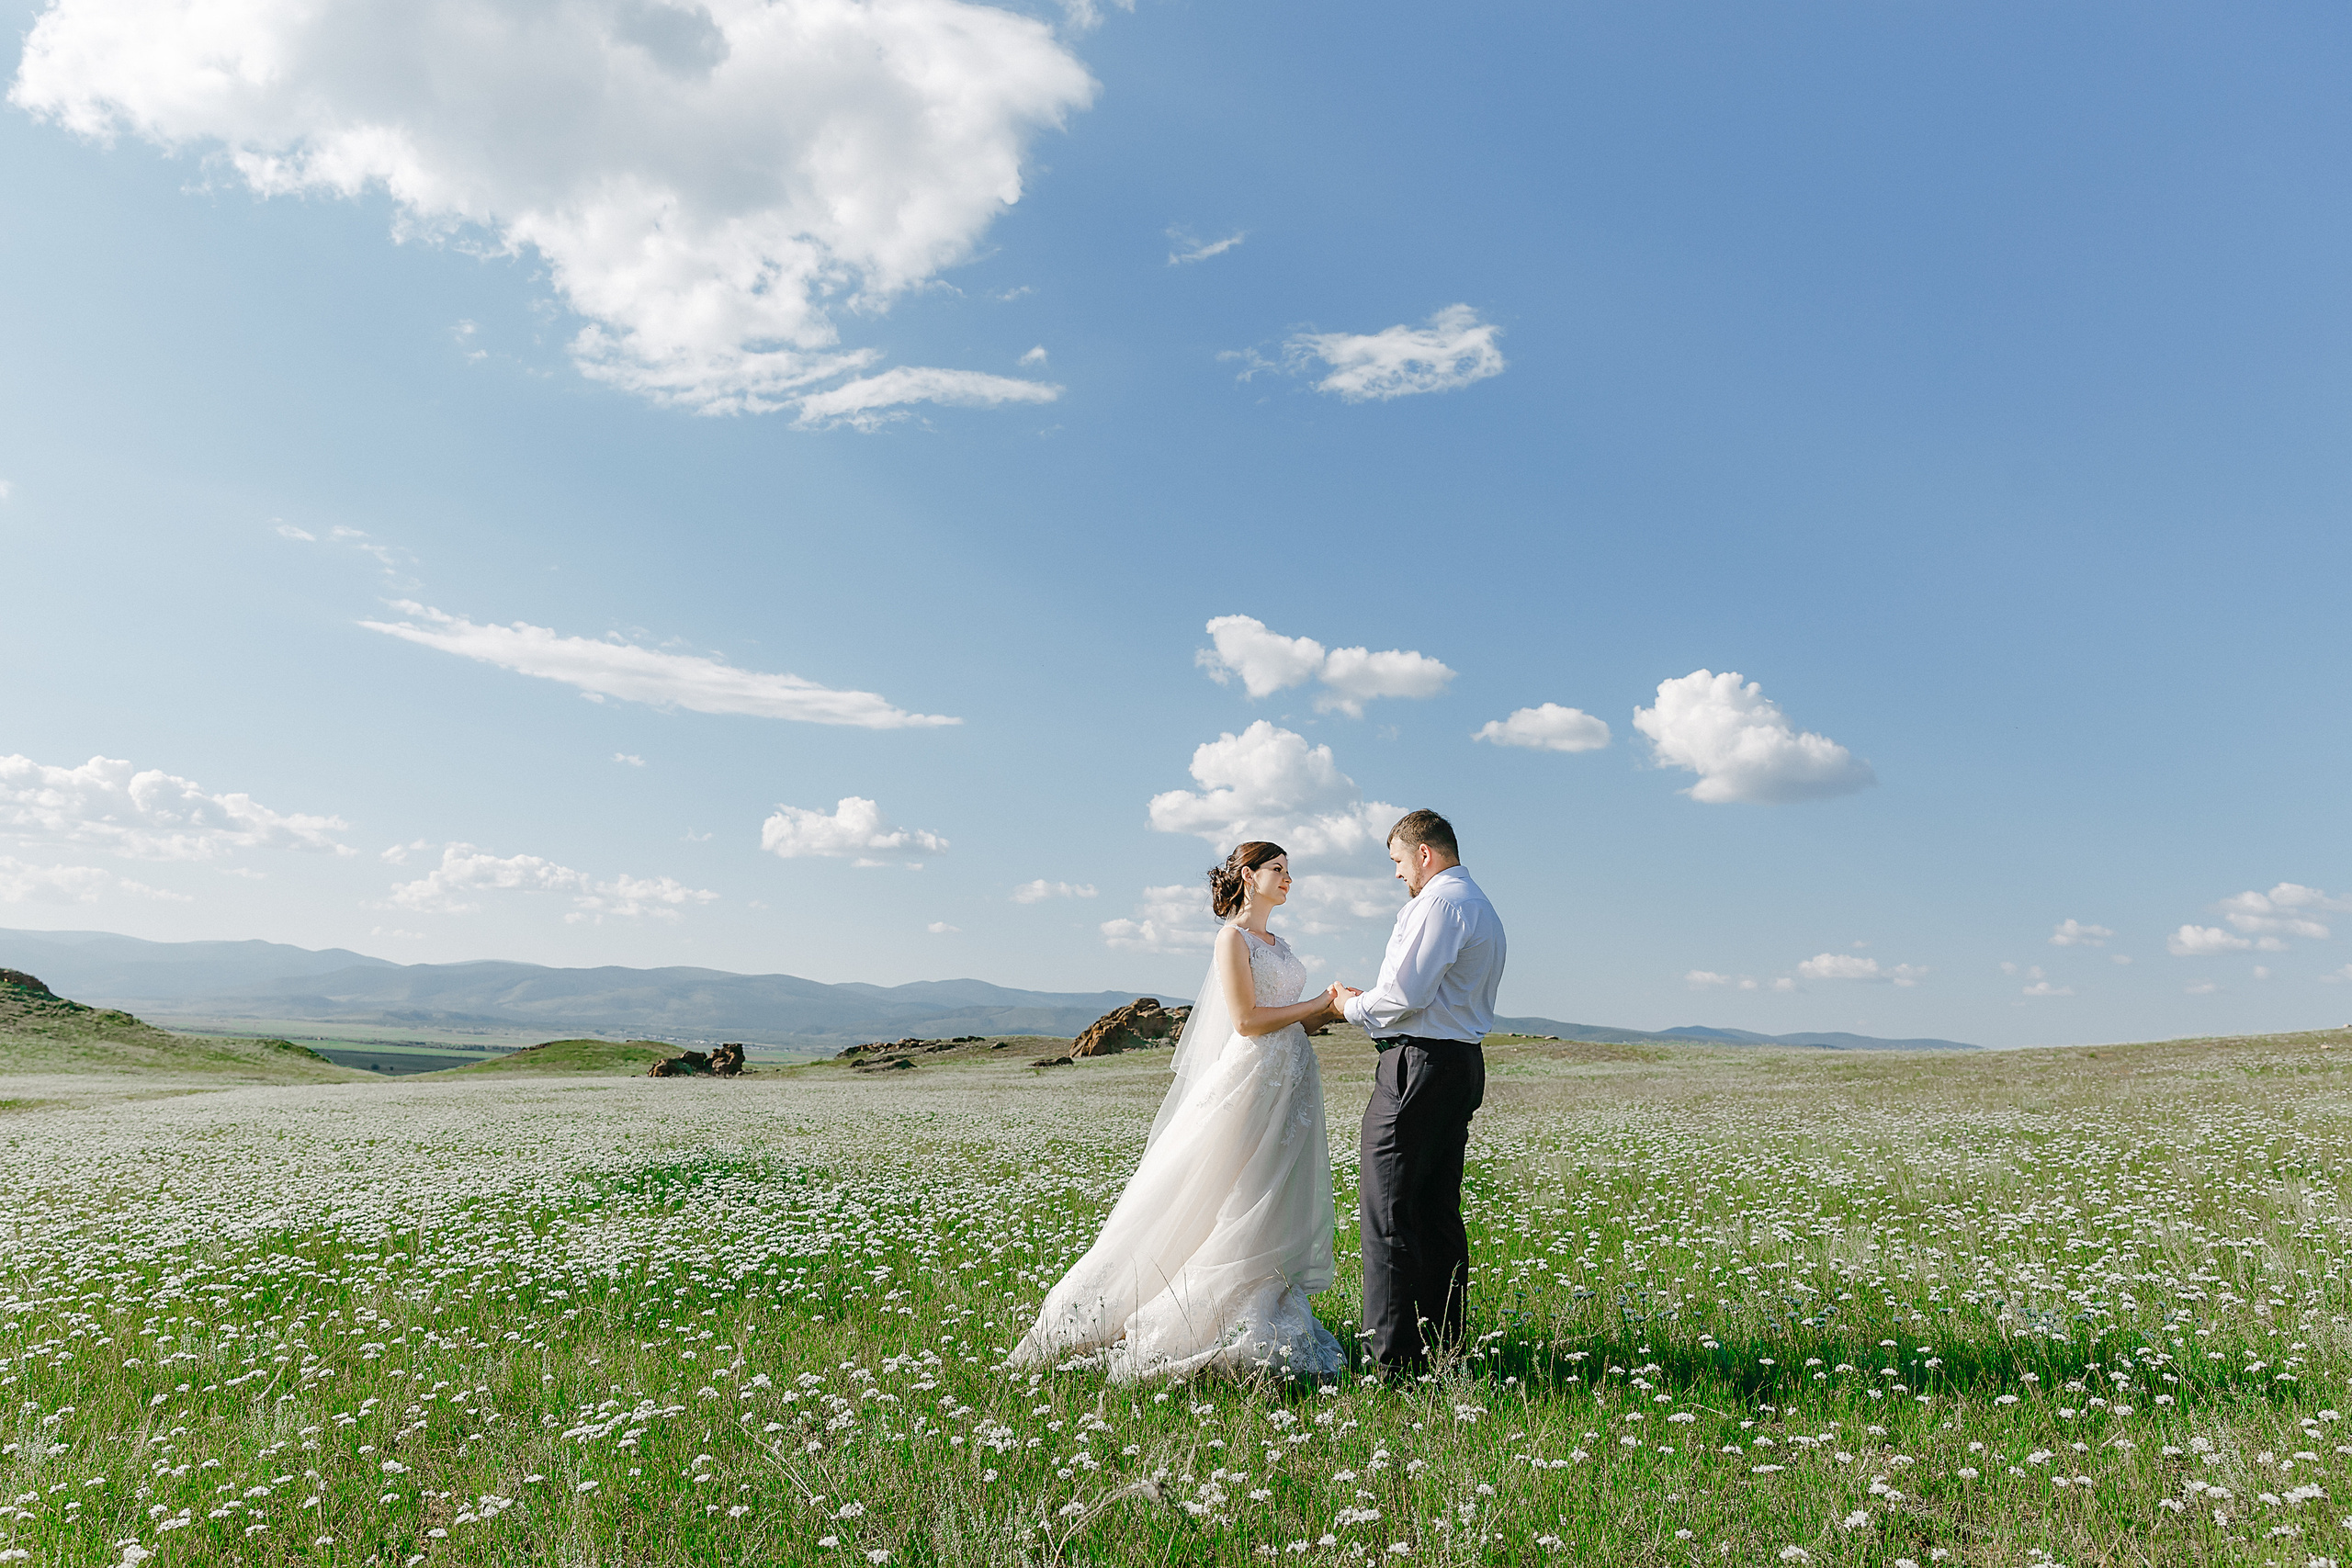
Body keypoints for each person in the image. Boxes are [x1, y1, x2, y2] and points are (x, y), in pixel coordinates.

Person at [1007, 841, 1351, 1381]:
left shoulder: (1278, 944)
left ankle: (1256, 1299)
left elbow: (1288, 1018)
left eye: (1290, 871)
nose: (1288, 879)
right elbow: (1246, 1020)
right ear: (1247, 875)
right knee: (1228, 1191)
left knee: (1272, 1192)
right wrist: (1319, 1005)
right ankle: (1183, 1313)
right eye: (1277, 870)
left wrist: (1338, 1011)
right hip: (1252, 1078)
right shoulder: (1231, 939)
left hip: (1291, 1078)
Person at [1333, 809, 1506, 1375]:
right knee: (1435, 1214)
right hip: (1457, 1063)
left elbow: (1406, 994)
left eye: (1399, 862)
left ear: (1425, 853)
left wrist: (1352, 1006)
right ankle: (1446, 1350)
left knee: (1388, 1213)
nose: (1399, 875)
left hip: (1418, 1066)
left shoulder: (1439, 903)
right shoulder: (1479, 903)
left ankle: (1394, 1364)